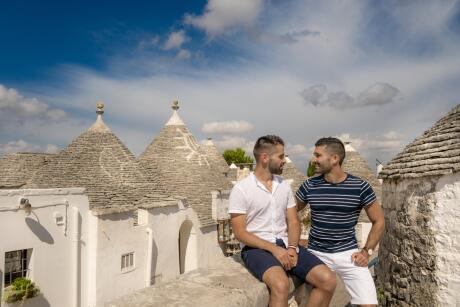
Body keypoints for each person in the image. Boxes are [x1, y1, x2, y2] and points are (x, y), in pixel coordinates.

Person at [229, 135, 336, 307]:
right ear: (265, 158)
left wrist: (292, 248)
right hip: (256, 248)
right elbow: (239, 232)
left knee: (328, 279)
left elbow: (293, 221)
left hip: (286, 243)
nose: (284, 160)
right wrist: (275, 250)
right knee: (281, 284)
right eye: (280, 156)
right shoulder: (241, 189)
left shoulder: (284, 186)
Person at [296, 137, 385, 307]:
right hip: (316, 253)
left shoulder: (360, 187)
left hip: (349, 254)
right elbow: (290, 213)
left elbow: (379, 220)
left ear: (335, 159)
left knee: (369, 304)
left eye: (318, 155)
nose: (313, 159)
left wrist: (367, 251)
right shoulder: (309, 185)